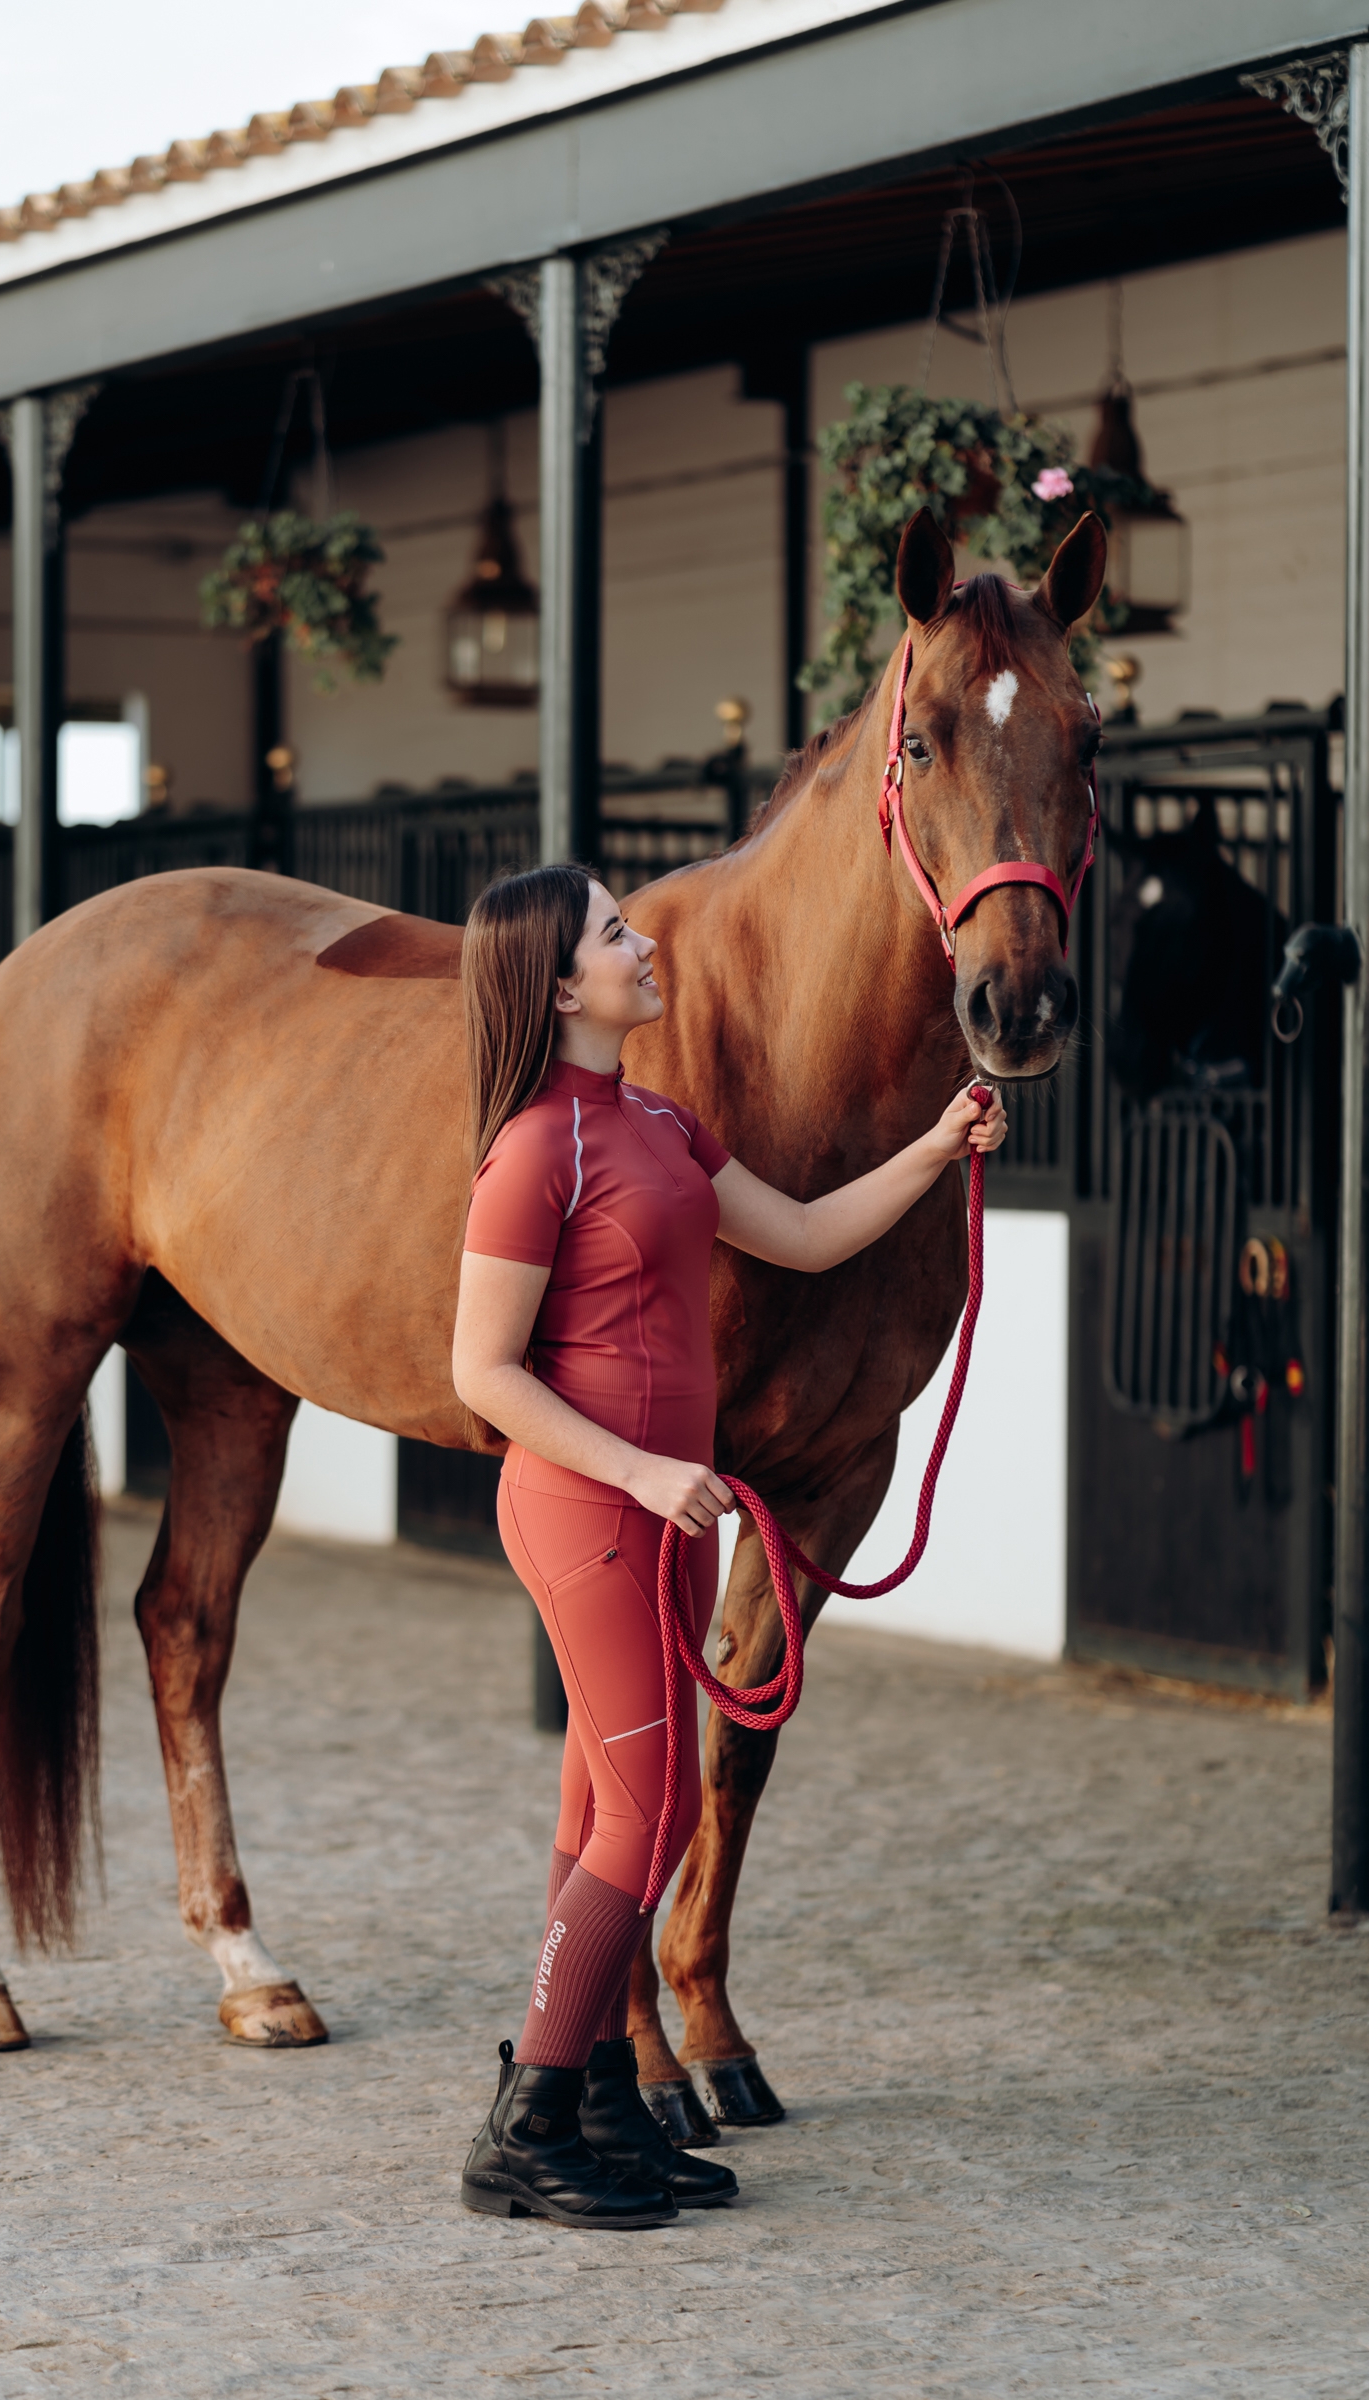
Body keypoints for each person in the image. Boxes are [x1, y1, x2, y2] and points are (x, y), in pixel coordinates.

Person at [451, 863, 1006, 2229]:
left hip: (661, 1511)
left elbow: (809, 1237)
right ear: (560, 984)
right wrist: (640, 1467)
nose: (646, 944)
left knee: (607, 1810)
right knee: (655, 1813)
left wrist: (936, 1148)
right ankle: (525, 2122)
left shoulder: (656, 1121)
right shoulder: (535, 1150)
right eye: (614, 933)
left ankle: (582, 2100)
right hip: (592, 1507)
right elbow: (483, 1370)